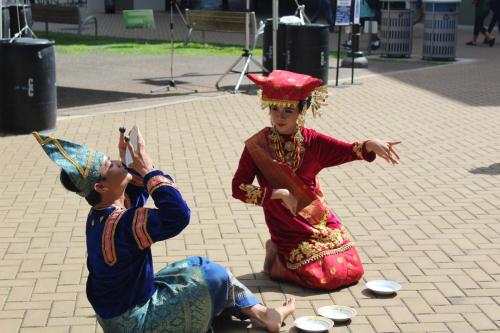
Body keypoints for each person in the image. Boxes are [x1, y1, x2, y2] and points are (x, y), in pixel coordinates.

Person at [33, 130, 295, 333]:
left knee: (195, 264)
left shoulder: (99, 214)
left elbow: (130, 200)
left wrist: (128, 164)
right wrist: (149, 171)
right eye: (109, 165)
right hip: (138, 322)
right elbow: (178, 215)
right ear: (100, 187)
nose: (115, 161)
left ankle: (256, 312)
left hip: (116, 317)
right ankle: (263, 315)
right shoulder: (125, 223)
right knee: (214, 274)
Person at [232, 70, 401, 290]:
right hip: (285, 223)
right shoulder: (257, 146)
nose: (279, 117)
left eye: (288, 111)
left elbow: (349, 150)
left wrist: (370, 144)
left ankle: (282, 259)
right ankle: (275, 258)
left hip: (316, 215)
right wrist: (278, 194)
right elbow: (238, 188)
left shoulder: (313, 141)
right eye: (275, 109)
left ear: (301, 111)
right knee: (323, 277)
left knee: (352, 270)